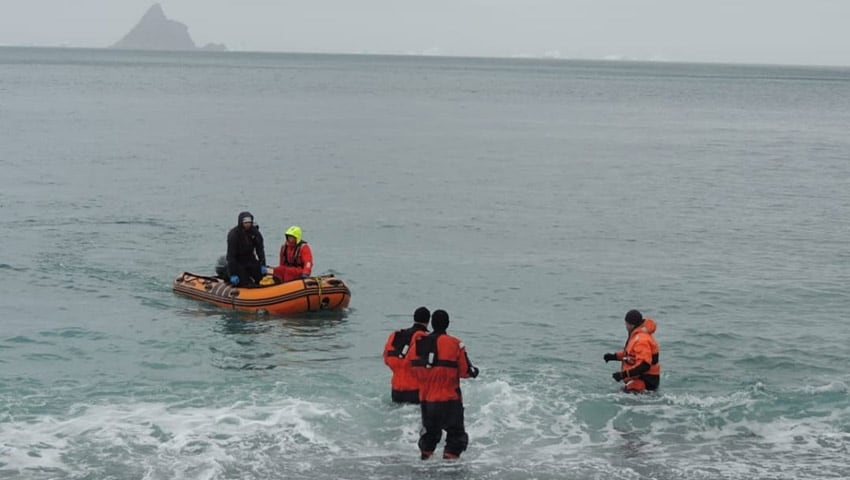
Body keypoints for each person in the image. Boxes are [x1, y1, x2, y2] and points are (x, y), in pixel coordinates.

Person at [410, 309, 479, 460]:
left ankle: (424, 463)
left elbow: (413, 368)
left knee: (430, 435)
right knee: (455, 437)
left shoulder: (418, 343)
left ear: (432, 324)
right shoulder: (455, 343)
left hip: (427, 400)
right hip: (450, 400)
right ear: (447, 324)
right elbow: (465, 371)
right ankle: (449, 470)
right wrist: (474, 371)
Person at [603, 309, 661, 393]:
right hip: (639, 378)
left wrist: (623, 375)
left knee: (624, 397)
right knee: (621, 393)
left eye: (626, 323)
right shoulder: (637, 336)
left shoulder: (641, 339)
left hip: (645, 380)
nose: (625, 326)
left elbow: (645, 365)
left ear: (631, 324)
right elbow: (631, 354)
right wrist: (614, 356)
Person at [383, 307, 431, 404]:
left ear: (414, 318)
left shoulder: (395, 335)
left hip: (396, 390)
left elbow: (386, 359)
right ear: (428, 320)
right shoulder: (424, 337)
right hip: (415, 391)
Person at [225, 211, 267, 287]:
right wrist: (233, 274)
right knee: (245, 281)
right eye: (245, 223)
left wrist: (263, 264)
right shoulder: (234, 235)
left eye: (249, 222)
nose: (248, 224)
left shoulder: (255, 232)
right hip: (238, 261)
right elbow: (231, 256)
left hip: (250, 258)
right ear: (241, 223)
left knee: (260, 277)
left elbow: (260, 249)